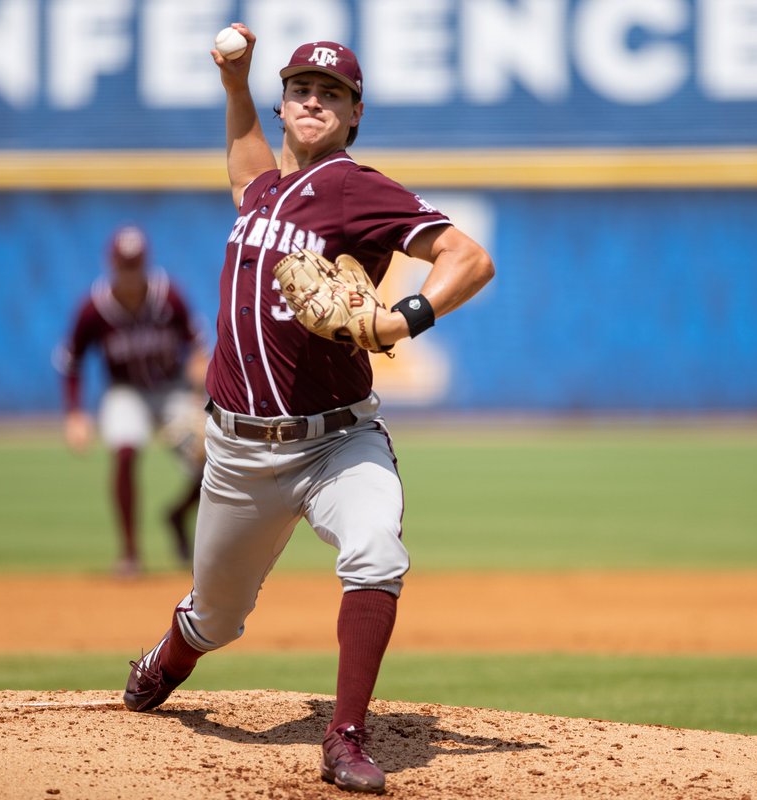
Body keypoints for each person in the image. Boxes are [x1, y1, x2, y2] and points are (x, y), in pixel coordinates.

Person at [121, 25, 495, 795]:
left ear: (355, 113)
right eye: (301, 90)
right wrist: (235, 84)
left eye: (332, 93)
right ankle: (170, 653)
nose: (314, 101)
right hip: (239, 453)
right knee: (216, 618)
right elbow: (243, 163)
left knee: (376, 553)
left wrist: (400, 319)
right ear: (283, 104)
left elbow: (470, 258)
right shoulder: (262, 192)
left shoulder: (360, 188)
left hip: (338, 441)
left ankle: (346, 737)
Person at [57, 224, 209, 578]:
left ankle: (178, 515)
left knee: (216, 461)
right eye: (123, 266)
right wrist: (75, 414)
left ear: (145, 264)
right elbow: (71, 362)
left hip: (171, 389)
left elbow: (197, 344)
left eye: (135, 265)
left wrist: (198, 379)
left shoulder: (168, 297)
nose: (129, 273)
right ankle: (129, 554)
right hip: (125, 392)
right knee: (125, 451)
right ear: (111, 264)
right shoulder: (94, 308)